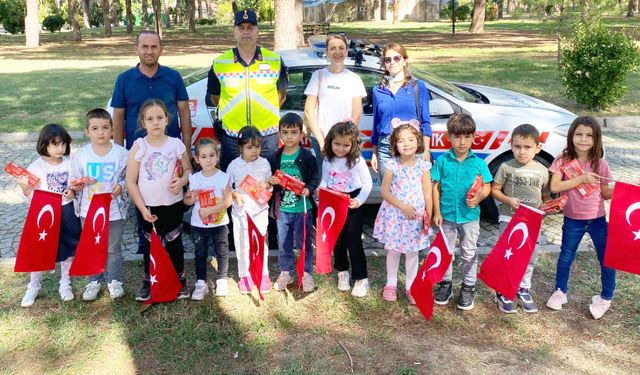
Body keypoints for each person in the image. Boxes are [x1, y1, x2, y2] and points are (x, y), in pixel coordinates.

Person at [111, 30, 193, 256]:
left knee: (171, 191)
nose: (149, 51)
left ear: (161, 49)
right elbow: (118, 116)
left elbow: (184, 111)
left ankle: (173, 236)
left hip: (169, 151)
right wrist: (119, 151)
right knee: (142, 194)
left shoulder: (173, 77)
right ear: (136, 49)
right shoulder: (124, 79)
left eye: (153, 47)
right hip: (139, 153)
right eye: (144, 47)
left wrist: (185, 143)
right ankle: (144, 237)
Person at [545, 116, 615, 320]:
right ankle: (560, 291)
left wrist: (624, 191)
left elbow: (606, 193)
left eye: (589, 135)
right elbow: (555, 187)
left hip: (598, 219)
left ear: (596, 139)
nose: (583, 139)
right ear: (571, 135)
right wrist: (581, 178)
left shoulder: (600, 164)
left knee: (606, 258)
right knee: (566, 255)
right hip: (572, 220)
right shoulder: (563, 160)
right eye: (579, 134)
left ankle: (605, 297)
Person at [125, 99, 193, 302]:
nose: (155, 122)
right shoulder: (139, 146)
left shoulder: (176, 145)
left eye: (159, 118)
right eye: (150, 119)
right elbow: (130, 181)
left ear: (167, 120)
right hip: (147, 206)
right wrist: (141, 207)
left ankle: (180, 279)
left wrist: (181, 181)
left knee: (175, 244)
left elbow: (189, 170)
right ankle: (149, 280)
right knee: (149, 245)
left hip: (172, 205)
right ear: (143, 122)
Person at [208, 9, 288, 171]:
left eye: (250, 27)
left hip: (267, 137)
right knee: (233, 184)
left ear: (258, 31)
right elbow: (215, 98)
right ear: (234, 32)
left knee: (268, 184)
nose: (246, 32)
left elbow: (281, 96)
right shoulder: (220, 63)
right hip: (233, 138)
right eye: (241, 27)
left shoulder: (274, 60)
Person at [432, 113, 492, 311]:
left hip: (469, 217)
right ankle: (445, 283)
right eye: (457, 137)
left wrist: (479, 197)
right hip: (447, 216)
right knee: (446, 251)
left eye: (467, 137)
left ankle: (468, 286)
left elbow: (487, 186)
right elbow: (436, 187)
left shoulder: (478, 163)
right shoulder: (442, 161)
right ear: (449, 137)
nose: (462, 141)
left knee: (468, 252)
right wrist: (436, 212)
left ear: (474, 137)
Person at [18, 124, 81, 307]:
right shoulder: (36, 167)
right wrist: (25, 188)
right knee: (41, 249)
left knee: (69, 248)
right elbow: (31, 197)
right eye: (54, 144)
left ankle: (65, 283)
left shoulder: (70, 163)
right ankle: (34, 286)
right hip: (46, 214)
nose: (59, 148)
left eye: (62, 144)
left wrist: (73, 192)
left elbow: (75, 185)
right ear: (44, 144)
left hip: (68, 211)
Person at [490, 124, 550, 314]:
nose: (522, 152)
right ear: (511, 145)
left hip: (533, 222)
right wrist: (507, 200)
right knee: (507, 255)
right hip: (509, 219)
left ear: (537, 148)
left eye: (527, 147)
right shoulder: (506, 166)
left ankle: (523, 287)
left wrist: (549, 205)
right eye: (517, 147)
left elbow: (546, 195)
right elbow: (494, 190)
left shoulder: (542, 170)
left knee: (530, 256)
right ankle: (504, 290)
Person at [70, 109, 129, 301]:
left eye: (105, 128)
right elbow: (73, 181)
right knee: (93, 246)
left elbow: (130, 178)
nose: (101, 132)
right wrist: (78, 184)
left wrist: (120, 186)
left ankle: (114, 280)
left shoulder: (121, 154)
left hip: (114, 211)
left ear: (112, 129)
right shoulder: (80, 156)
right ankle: (93, 281)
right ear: (87, 131)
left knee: (113, 248)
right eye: (95, 128)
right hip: (89, 210)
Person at [373, 122, 432, 304]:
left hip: (415, 218)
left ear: (418, 142)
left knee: (413, 252)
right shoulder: (392, 165)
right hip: (395, 216)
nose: (406, 144)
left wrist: (428, 213)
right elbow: (385, 192)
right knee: (394, 250)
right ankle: (391, 283)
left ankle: (411, 285)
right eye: (401, 140)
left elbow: (427, 190)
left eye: (410, 139)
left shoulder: (423, 166)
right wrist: (402, 206)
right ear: (394, 144)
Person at [268, 113, 320, 292]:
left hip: (302, 209)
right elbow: (271, 178)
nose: (289, 137)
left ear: (301, 134)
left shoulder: (307, 156)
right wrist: (272, 181)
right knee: (284, 243)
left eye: (293, 132)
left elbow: (315, 176)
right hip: (282, 210)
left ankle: (306, 273)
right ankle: (286, 272)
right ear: (279, 134)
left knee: (304, 242)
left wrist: (309, 189)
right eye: (285, 132)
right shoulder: (276, 157)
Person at [320, 122, 373, 297]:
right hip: (334, 200)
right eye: (337, 144)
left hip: (352, 202)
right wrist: (320, 190)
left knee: (354, 241)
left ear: (353, 144)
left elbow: (367, 183)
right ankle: (342, 271)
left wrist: (358, 200)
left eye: (346, 145)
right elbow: (325, 180)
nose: (341, 149)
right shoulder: (328, 160)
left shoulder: (356, 161)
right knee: (337, 240)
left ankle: (361, 277)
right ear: (330, 142)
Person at [371, 43, 432, 176]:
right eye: (388, 59)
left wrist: (426, 150)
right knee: (388, 192)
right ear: (384, 64)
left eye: (396, 58)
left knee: (411, 191)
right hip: (385, 148)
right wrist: (375, 152)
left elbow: (426, 121)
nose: (392, 62)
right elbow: (376, 123)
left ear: (405, 60)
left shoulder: (417, 86)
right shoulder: (378, 90)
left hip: (411, 147)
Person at [183, 138, 233, 299]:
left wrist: (211, 210)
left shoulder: (223, 177)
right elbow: (186, 200)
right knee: (200, 253)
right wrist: (193, 199)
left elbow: (228, 201)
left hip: (219, 224)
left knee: (222, 252)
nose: (208, 160)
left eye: (211, 155)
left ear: (217, 156)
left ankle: (222, 279)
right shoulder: (195, 178)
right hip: (199, 225)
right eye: (203, 156)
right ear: (197, 159)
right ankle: (201, 282)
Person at [226, 126, 273, 295]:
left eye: (257, 147)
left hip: (260, 212)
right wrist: (234, 195)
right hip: (240, 213)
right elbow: (227, 188)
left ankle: (263, 274)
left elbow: (270, 185)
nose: (254, 151)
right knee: (242, 244)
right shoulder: (233, 165)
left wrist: (267, 184)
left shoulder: (265, 163)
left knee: (261, 243)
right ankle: (245, 275)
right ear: (240, 148)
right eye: (249, 147)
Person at [303, 33, 367, 150]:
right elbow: (308, 110)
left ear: (347, 51)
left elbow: (356, 115)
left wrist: (342, 142)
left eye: (341, 48)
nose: (337, 52)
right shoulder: (318, 76)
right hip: (321, 140)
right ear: (327, 52)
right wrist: (322, 142)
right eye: (332, 48)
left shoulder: (354, 79)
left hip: (344, 142)